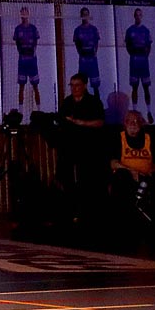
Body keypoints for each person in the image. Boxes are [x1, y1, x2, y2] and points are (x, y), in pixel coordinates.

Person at [56, 73, 106, 213]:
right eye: (71, 85)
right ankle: (70, 206)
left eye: (77, 85)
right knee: (66, 175)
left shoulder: (93, 102)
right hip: (69, 145)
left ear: (84, 85)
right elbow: (61, 120)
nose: (74, 88)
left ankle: (87, 207)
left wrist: (82, 123)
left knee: (87, 178)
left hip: (88, 145)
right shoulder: (67, 102)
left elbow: (100, 122)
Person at [110, 110, 155, 220]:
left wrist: (153, 169)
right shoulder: (118, 138)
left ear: (141, 123)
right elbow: (113, 163)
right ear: (125, 123)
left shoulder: (150, 138)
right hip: (126, 177)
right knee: (121, 176)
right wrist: (131, 171)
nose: (134, 124)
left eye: (137, 121)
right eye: (130, 121)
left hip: (147, 176)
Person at [124, 8, 154, 114]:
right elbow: (127, 44)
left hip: (144, 63)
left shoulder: (146, 30)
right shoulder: (130, 30)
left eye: (139, 15)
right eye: (136, 15)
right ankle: (135, 111)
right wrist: (132, 53)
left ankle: (149, 111)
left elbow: (149, 45)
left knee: (146, 88)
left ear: (142, 16)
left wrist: (146, 56)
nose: (138, 17)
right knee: (135, 87)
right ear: (134, 16)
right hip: (134, 62)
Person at [13, 6, 43, 108]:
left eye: (25, 13)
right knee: (21, 86)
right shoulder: (18, 29)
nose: (24, 15)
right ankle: (20, 111)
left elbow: (35, 43)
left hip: (32, 61)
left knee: (35, 86)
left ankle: (39, 109)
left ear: (28, 14)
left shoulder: (33, 28)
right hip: (22, 61)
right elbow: (17, 43)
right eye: (22, 13)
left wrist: (32, 52)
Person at [72, 6, 101, 95]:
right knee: (82, 85)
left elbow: (96, 42)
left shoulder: (93, 29)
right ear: (81, 16)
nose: (85, 16)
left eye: (86, 14)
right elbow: (76, 43)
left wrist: (95, 52)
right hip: (83, 60)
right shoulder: (77, 30)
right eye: (83, 14)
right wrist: (80, 53)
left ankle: (97, 106)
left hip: (92, 60)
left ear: (89, 15)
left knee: (95, 86)